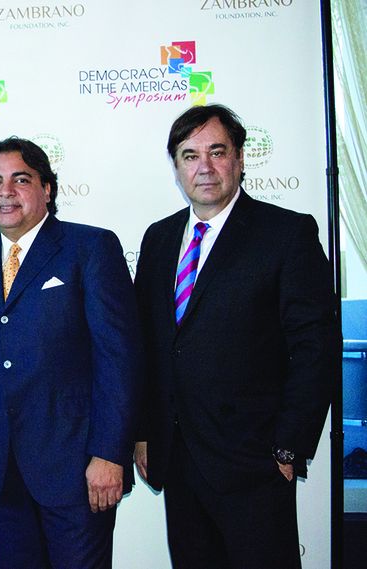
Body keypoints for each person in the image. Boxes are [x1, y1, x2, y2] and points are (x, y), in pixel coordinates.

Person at [133, 104, 336, 569]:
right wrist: (143, 433)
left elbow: (314, 348)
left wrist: (289, 445)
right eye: (190, 155)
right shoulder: (159, 238)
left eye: (217, 152)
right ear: (176, 167)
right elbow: (149, 345)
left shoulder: (286, 234)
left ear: (240, 159)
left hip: (255, 462)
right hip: (178, 459)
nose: (204, 167)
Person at [0, 137, 143, 569]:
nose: (5, 192)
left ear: (47, 188)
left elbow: (119, 358)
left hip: (78, 471)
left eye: (20, 180)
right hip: (2, 473)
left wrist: (109, 453)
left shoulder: (90, 248)